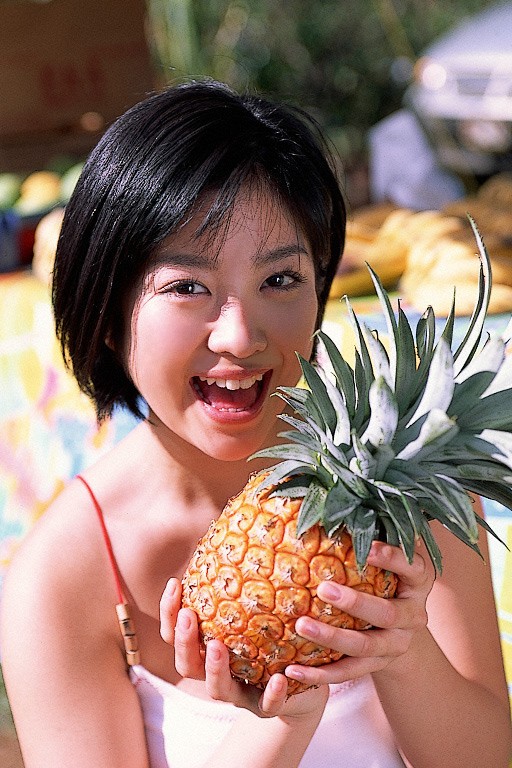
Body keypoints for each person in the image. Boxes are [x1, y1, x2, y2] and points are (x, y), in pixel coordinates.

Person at [0, 79, 510, 768]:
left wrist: (403, 648)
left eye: (280, 280)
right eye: (187, 286)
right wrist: (279, 723)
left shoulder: (402, 485)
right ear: (108, 313)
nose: (239, 337)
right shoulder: (62, 578)